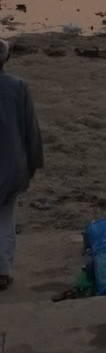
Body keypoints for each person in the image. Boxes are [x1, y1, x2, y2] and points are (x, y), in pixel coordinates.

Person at [0, 38, 43, 291]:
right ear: (6, 59)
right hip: (12, 165)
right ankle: (3, 272)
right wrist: (34, 161)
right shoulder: (18, 86)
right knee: (6, 220)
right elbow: (31, 129)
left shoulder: (18, 86)